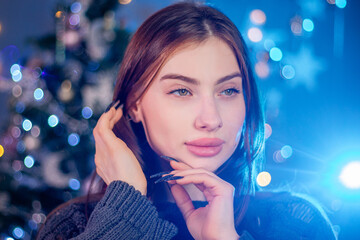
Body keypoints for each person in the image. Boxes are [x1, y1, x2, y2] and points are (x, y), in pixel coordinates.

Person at [37, 2, 336, 240]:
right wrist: (125, 214)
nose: (211, 119)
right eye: (182, 91)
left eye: (229, 90)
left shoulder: (295, 224)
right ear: (133, 106)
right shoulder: (73, 227)